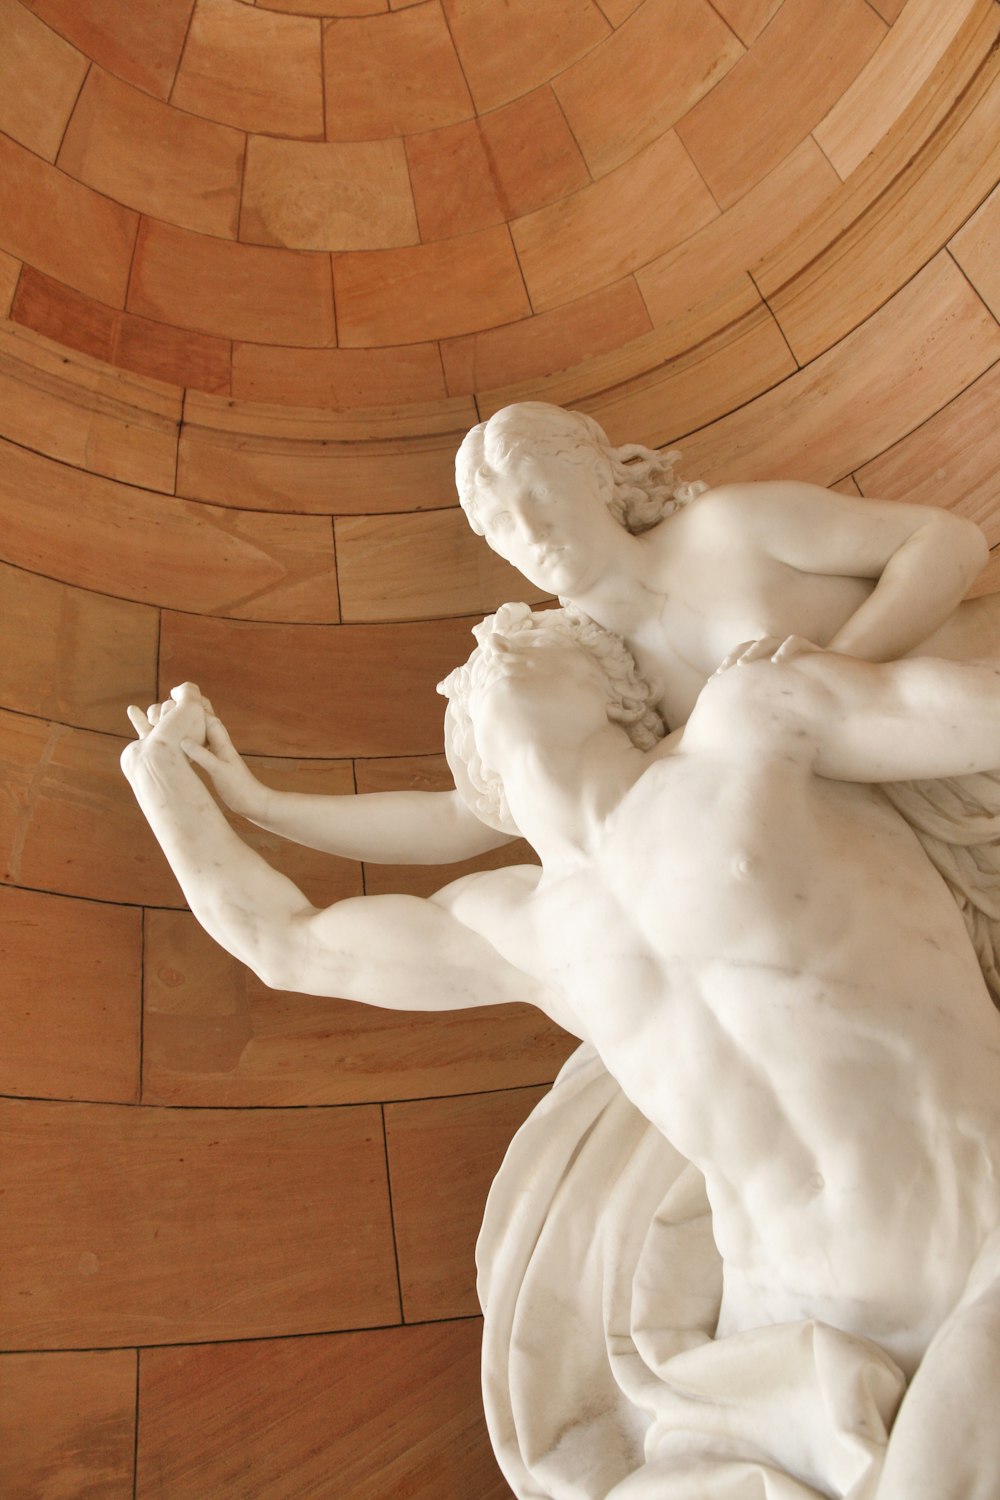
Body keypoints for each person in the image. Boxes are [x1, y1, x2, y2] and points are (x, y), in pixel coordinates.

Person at [123, 605, 1000, 1498]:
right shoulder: (515, 927)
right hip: (784, 1338)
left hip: (972, 1229)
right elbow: (288, 944)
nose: (483, 648)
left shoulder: (753, 723)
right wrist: (172, 793)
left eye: (517, 633)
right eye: (472, 665)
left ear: (618, 685)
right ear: (477, 777)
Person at [193, 402, 996, 868]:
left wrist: (832, 666)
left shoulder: (731, 526)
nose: (529, 526)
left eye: (542, 490)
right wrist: (259, 803)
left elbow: (946, 543)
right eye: (500, 522)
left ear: (603, 477)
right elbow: (460, 820)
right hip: (898, 849)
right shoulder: (591, 671)